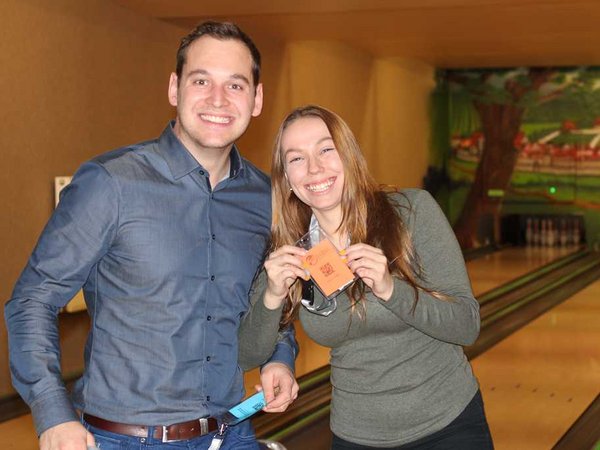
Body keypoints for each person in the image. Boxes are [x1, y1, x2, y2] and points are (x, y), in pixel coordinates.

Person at [5, 21, 299, 450]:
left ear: (256, 100)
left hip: (230, 432)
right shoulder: (112, 183)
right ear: (174, 89)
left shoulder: (264, 197)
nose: (217, 99)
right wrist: (52, 414)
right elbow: (33, 299)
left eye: (235, 85)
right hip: (123, 439)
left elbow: (272, 294)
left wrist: (280, 356)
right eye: (201, 81)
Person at [239, 105, 494, 449]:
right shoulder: (289, 248)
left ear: (349, 154)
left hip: (448, 424)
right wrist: (271, 295)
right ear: (285, 176)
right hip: (356, 435)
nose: (314, 168)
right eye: (296, 159)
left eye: (326, 149)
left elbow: (466, 324)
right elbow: (246, 355)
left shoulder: (411, 211)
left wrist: (392, 290)